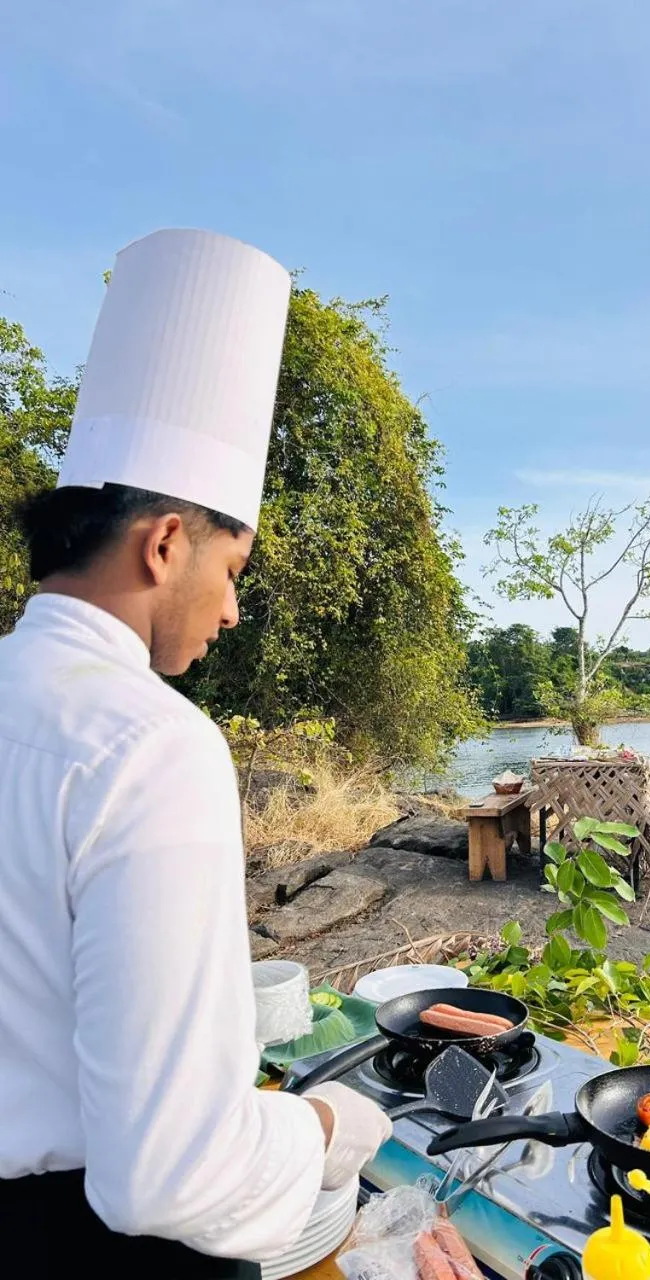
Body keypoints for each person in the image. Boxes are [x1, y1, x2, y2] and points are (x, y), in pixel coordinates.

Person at [0, 229, 392, 1276]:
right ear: (166, 542)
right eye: (234, 570)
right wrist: (324, 1129)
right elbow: (170, 1176)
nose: (230, 610)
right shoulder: (148, 741)